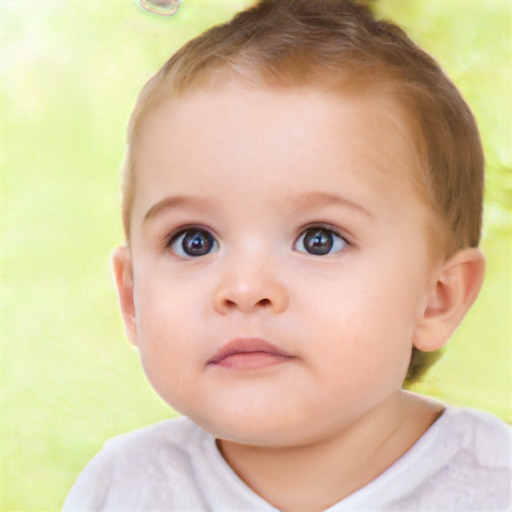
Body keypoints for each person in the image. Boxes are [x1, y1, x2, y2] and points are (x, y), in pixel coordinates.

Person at [63, 1, 511, 510]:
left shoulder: (493, 484)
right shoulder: (123, 487)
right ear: (132, 298)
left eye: (319, 238)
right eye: (194, 241)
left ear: (437, 298)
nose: (245, 288)